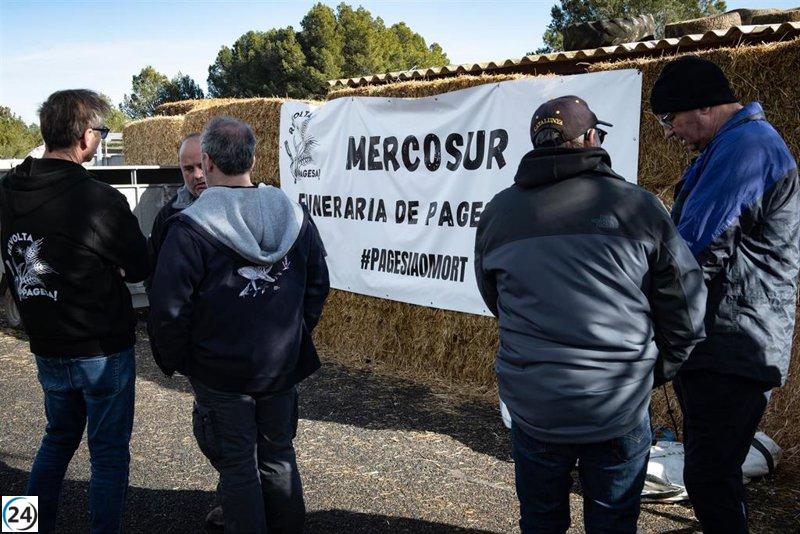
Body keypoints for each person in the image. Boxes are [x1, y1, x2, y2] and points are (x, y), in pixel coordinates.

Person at [474, 95, 707, 533]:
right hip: (616, 403)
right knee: (614, 523)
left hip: (535, 404)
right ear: (592, 138)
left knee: (541, 521)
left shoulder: (498, 212)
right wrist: (658, 369)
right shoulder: (638, 206)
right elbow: (687, 305)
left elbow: (495, 299)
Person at [148, 116, 330, 534]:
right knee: (279, 456)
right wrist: (294, 335)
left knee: (238, 466)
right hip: (280, 366)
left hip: (219, 371)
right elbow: (318, 284)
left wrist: (179, 360)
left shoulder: (191, 226)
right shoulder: (292, 214)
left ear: (207, 161)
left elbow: (168, 308)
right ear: (252, 157)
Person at [650, 56, 800, 533]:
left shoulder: (747, 148)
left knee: (710, 477)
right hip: (723, 339)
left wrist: (643, 309)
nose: (668, 133)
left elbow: (697, 250)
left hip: (734, 343)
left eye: (668, 119)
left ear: (701, 107)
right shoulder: (730, 147)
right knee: (711, 472)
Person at [0, 89, 148, 533]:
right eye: (100, 132)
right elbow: (140, 264)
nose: (100, 140)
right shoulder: (99, 198)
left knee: (55, 439)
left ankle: (20, 528)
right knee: (107, 454)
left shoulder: (8, 190)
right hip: (101, 348)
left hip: (45, 342)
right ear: (85, 137)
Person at [147, 132, 206, 272]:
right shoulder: (168, 216)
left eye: (201, 166)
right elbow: (153, 265)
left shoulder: (239, 207)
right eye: (189, 169)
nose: (197, 175)